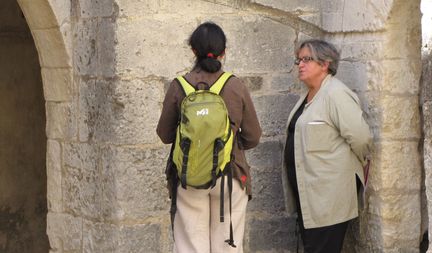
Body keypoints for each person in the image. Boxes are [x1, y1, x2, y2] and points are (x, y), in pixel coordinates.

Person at [156, 22, 261, 253]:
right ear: (223, 52)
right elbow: (254, 136)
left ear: (193, 50)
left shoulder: (179, 86)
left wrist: (195, 145)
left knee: (191, 246)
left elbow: (164, 135)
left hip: (189, 175)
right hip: (230, 175)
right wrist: (229, 146)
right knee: (228, 246)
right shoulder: (235, 85)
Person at [282, 39, 372, 253]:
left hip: (328, 199)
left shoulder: (336, 94)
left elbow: (360, 138)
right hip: (310, 197)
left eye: (307, 59)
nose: (300, 65)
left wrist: (359, 165)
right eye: (299, 60)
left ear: (325, 64)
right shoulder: (308, 95)